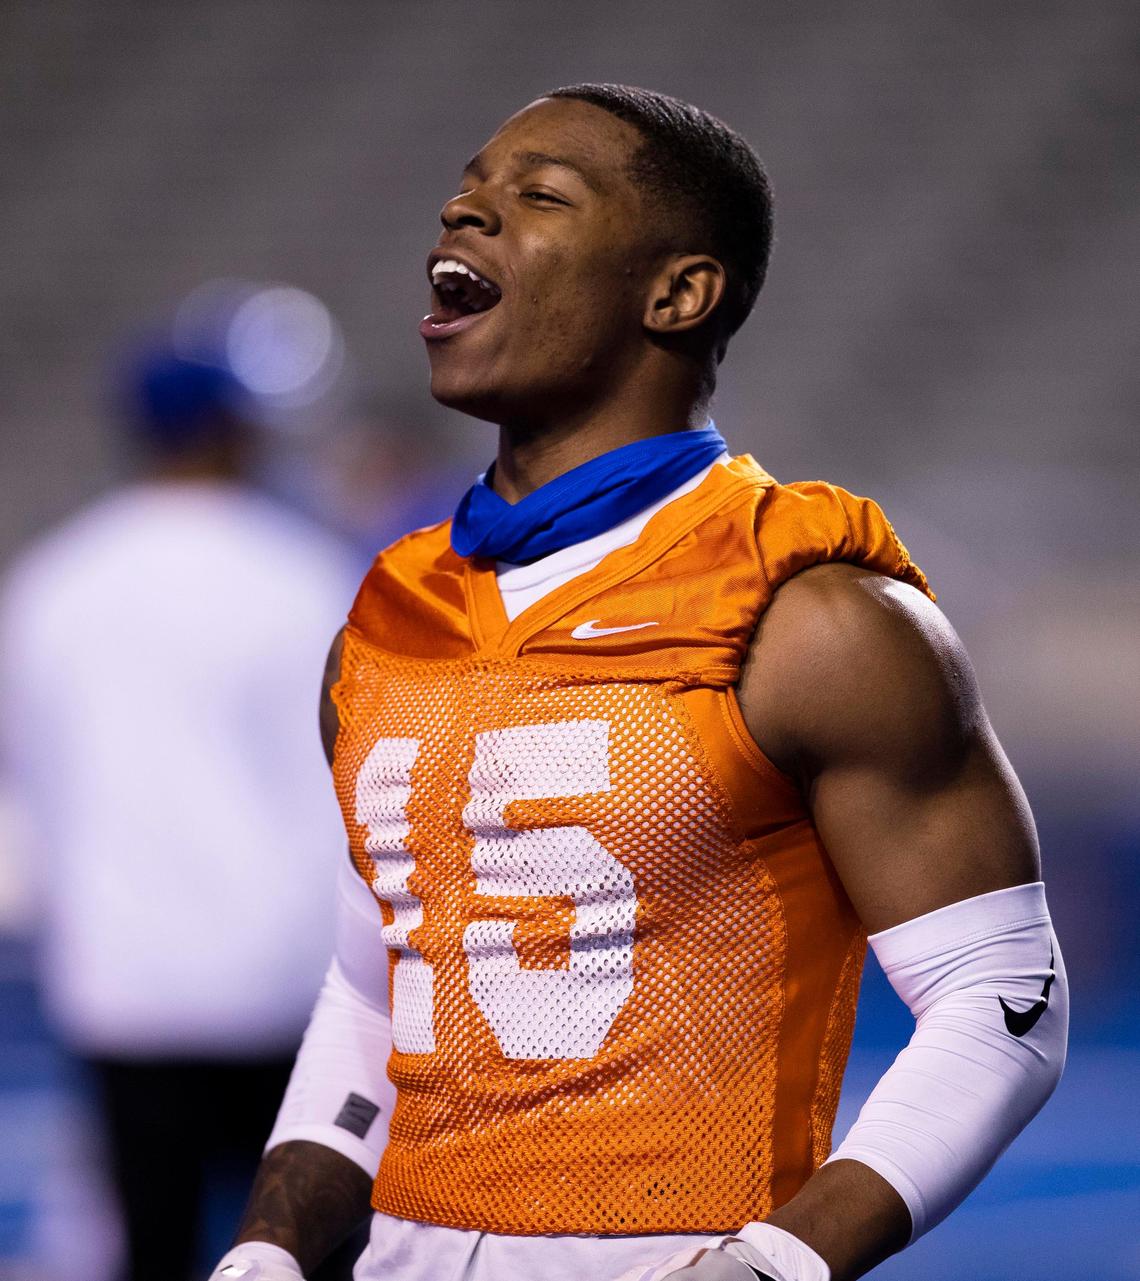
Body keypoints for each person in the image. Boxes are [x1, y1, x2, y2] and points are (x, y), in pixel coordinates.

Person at [210, 85, 1067, 1281]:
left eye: (540, 195)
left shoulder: (809, 614)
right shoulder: (388, 616)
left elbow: (1003, 994)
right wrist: (270, 1248)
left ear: (678, 294)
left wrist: (776, 1263)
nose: (465, 211)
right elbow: (373, 994)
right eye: (469, 188)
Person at [0, 347, 359, 1281]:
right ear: (237, 431)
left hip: (124, 979)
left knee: (151, 1244)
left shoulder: (54, 582)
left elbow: (34, 781)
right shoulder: (305, 574)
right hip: (286, 982)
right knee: (305, 1249)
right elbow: (352, 780)